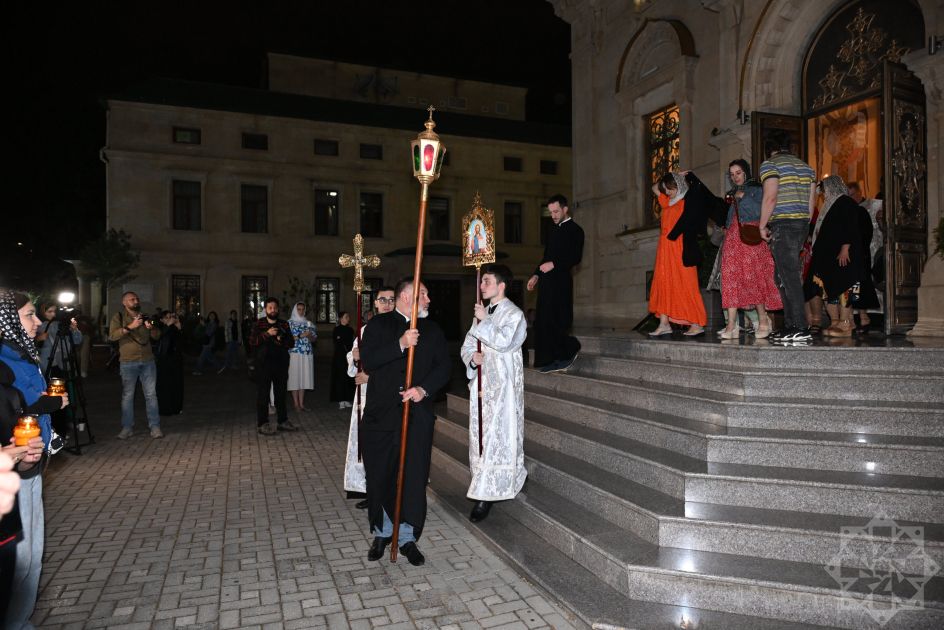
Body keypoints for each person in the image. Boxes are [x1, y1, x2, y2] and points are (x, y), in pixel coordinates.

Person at [359, 279, 450, 566]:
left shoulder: (433, 330)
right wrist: (400, 344)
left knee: (411, 476)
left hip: (416, 418)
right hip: (381, 417)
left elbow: (444, 368)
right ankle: (384, 533)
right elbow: (370, 361)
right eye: (423, 294)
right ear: (406, 297)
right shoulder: (378, 325)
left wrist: (423, 389)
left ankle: (407, 537)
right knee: (381, 474)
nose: (428, 299)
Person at [0, 290, 68, 629]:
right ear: (7, 321)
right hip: (8, 471)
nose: (38, 320)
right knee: (18, 561)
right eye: (29, 314)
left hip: (30, 462)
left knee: (31, 559)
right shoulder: (3, 362)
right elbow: (13, 407)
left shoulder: (23, 355)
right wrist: (43, 406)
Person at [460, 264, 527, 523]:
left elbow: (506, 342)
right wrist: (472, 359)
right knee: (482, 436)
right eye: (482, 281)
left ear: (502, 285)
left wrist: (485, 322)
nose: (481, 286)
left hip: (503, 389)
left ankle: (487, 494)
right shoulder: (482, 313)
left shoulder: (515, 314)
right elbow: (467, 345)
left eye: (486, 281)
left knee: (500, 435)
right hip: (482, 387)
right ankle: (482, 482)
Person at [758, 130, 817, 343]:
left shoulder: (770, 164)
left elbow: (770, 197)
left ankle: (801, 327)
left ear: (770, 150)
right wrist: (804, 227)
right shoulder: (806, 168)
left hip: (783, 224)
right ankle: (791, 325)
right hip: (801, 224)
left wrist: (762, 225)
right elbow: (811, 204)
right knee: (782, 276)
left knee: (789, 276)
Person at [804, 176, 878, 338]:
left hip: (843, 256)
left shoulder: (846, 202)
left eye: (824, 189)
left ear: (832, 187)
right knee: (829, 290)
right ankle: (836, 322)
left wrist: (845, 248)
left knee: (846, 287)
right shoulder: (830, 205)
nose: (823, 193)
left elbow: (850, 227)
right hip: (828, 259)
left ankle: (845, 323)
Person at [343, 287, 396, 509]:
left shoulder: (399, 329)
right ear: (375, 303)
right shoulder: (364, 331)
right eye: (382, 300)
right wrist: (354, 359)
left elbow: (396, 365)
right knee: (367, 444)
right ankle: (370, 490)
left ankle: (391, 490)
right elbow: (354, 362)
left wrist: (370, 376)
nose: (387, 304)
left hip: (389, 396)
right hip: (365, 397)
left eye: (391, 300)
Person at [717, 160, 782, 339]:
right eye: (732, 174)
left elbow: (762, 212)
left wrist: (742, 197)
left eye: (738, 172)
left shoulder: (756, 189)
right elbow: (731, 218)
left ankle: (763, 319)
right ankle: (731, 325)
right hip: (733, 239)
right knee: (730, 280)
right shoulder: (733, 193)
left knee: (754, 278)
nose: (735, 177)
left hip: (751, 237)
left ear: (745, 172)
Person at [527, 194, 584, 373]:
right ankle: (548, 360)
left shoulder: (576, 230)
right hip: (546, 282)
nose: (553, 215)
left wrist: (555, 264)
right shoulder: (552, 230)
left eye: (556, 211)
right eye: (550, 212)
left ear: (565, 209)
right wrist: (536, 275)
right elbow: (546, 257)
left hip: (561, 282)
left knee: (557, 320)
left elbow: (575, 257)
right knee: (543, 321)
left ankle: (569, 350)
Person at [647, 172, 708, 337]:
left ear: (679, 185)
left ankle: (696, 323)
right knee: (663, 284)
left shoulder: (686, 202)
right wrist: (671, 175)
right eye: (666, 188)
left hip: (681, 248)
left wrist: (683, 178)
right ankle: (664, 323)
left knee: (687, 284)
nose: (667, 192)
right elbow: (654, 187)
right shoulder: (667, 203)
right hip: (665, 250)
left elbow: (700, 197)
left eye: (670, 188)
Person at [109, 291, 164, 439]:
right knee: (128, 396)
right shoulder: (118, 317)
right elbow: (112, 336)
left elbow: (157, 335)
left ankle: (155, 427)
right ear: (124, 303)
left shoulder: (146, 316)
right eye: (132, 299)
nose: (135, 301)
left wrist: (151, 328)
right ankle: (127, 427)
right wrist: (130, 326)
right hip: (128, 362)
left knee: (151, 395)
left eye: (137, 299)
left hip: (148, 361)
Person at [249, 297, 298, 435]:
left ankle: (282, 421)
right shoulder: (258, 324)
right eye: (270, 308)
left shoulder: (284, 325)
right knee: (263, 394)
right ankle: (262, 423)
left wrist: (280, 338)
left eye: (275, 308)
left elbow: (291, 343)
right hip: (263, 365)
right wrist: (267, 334)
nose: (273, 310)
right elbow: (252, 342)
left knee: (281, 394)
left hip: (281, 364)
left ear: (278, 309)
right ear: (265, 309)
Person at [35, 303, 83, 376]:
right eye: (49, 311)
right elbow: (26, 344)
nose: (53, 314)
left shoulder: (61, 325)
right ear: (42, 312)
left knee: (64, 385)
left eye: (55, 311)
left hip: (63, 362)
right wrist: (37, 339)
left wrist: (75, 330)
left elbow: (77, 341)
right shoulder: (36, 325)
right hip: (46, 365)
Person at [287, 302, 316, 412]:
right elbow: (288, 339)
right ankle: (295, 404)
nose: (301, 311)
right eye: (299, 309)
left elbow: (314, 340)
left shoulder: (308, 323)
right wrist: (301, 335)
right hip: (294, 353)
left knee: (304, 378)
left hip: (307, 353)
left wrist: (310, 336)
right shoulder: (289, 323)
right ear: (295, 310)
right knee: (295, 378)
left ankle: (302, 404)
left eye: (303, 309)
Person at [154, 310, 184, 416]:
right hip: (164, 362)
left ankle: (176, 407)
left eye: (170, 316)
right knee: (165, 385)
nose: (170, 318)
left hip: (175, 361)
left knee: (176, 384)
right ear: (161, 320)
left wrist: (179, 328)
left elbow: (181, 344)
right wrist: (168, 326)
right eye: (166, 317)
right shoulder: (158, 328)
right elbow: (158, 338)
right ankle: (165, 409)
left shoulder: (174, 329)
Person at [330, 312, 355, 409]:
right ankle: (340, 399)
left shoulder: (350, 330)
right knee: (340, 377)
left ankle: (347, 399)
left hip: (349, 356)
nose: (348, 318)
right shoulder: (337, 329)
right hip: (340, 356)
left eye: (348, 317)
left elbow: (351, 342)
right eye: (346, 317)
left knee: (348, 377)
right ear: (341, 319)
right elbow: (338, 342)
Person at [194, 311, 223, 375]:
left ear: (215, 317)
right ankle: (219, 367)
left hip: (209, 343)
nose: (211, 316)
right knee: (210, 357)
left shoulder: (214, 324)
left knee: (201, 357)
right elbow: (203, 331)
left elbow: (209, 333)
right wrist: (202, 325)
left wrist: (204, 326)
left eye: (213, 315)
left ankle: (198, 370)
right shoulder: (208, 323)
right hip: (206, 342)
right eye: (210, 315)